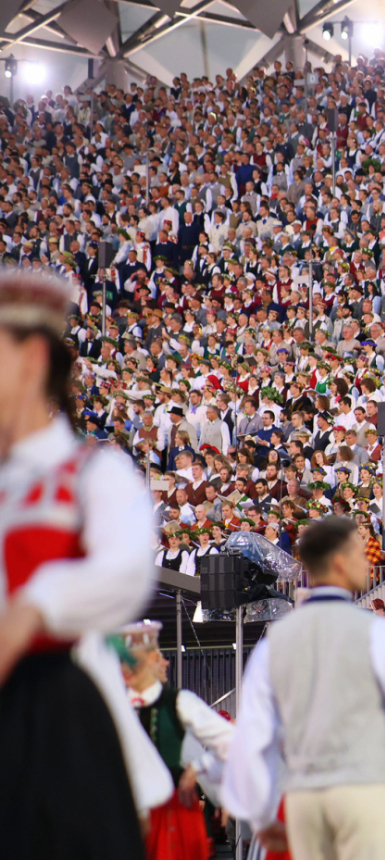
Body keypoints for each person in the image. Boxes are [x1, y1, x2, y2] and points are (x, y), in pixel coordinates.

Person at [0, 266, 172, 860]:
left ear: (31, 360)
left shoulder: (93, 472)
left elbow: (126, 569)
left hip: (53, 708)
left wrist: (35, 606)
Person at [222, 516, 385, 860]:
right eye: (361, 553)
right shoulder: (384, 637)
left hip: (304, 802)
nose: (368, 561)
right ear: (340, 562)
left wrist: (256, 809)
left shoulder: (277, 641)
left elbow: (254, 735)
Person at [120, 620, 236, 860]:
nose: (165, 662)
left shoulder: (179, 702)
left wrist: (201, 768)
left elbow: (231, 740)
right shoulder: (112, 707)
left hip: (170, 819)